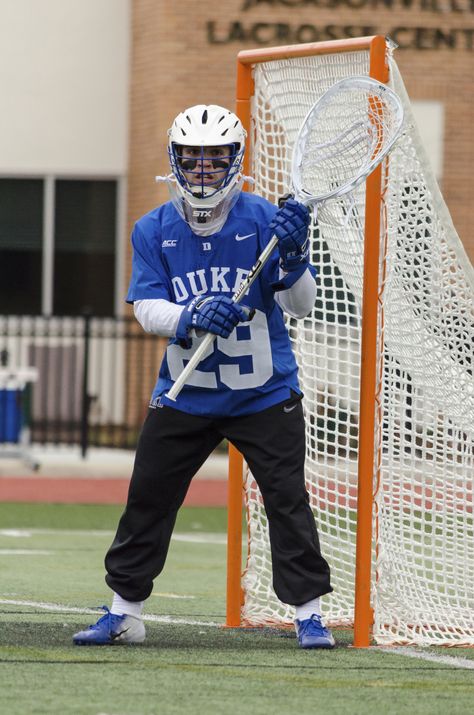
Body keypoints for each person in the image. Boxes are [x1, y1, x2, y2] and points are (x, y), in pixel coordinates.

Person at [73, 104, 334, 649]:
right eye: (193, 159)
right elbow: (146, 309)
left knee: (286, 498)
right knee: (149, 496)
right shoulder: (153, 228)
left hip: (264, 392)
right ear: (175, 160)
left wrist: (293, 257)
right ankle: (126, 611)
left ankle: (308, 613)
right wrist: (191, 314)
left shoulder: (265, 220)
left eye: (215, 160)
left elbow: (302, 305)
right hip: (186, 393)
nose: (203, 171)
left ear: (234, 161)